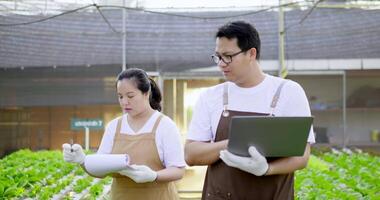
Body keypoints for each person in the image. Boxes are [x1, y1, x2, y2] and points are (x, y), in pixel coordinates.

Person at [184, 21, 315, 200]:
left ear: (251, 53)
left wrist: (267, 169)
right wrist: (232, 144)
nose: (221, 64)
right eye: (218, 56)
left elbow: (302, 156)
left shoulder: (288, 91)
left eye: (228, 56)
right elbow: (191, 154)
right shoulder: (211, 96)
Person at [63, 68, 186, 200]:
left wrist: (154, 176)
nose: (124, 102)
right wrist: (83, 161)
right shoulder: (114, 127)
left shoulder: (164, 125)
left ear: (146, 93)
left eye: (130, 96)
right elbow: (100, 169)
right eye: (120, 96)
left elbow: (178, 170)